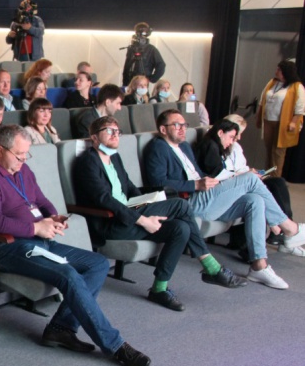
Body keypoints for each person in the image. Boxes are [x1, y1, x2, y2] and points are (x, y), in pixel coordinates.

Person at [0, 124, 151, 366]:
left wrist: (53, 217)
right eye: (19, 154)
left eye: (26, 154)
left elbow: (41, 201)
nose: (24, 159)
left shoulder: (23, 170)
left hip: (41, 241)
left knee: (98, 264)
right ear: (0, 150)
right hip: (7, 247)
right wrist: (36, 228)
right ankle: (116, 345)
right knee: (68, 274)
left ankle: (61, 328)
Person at [75, 116, 246, 311]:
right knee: (180, 205)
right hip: (111, 222)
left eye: (117, 131)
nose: (115, 135)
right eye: (109, 131)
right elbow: (104, 200)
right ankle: (211, 267)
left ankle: (159, 288)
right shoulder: (88, 162)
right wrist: (143, 220)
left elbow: (129, 188)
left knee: (180, 228)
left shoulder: (114, 157)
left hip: (130, 213)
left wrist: (148, 203)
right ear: (94, 137)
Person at [144, 109, 305, 290]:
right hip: (188, 201)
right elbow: (157, 182)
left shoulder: (184, 147)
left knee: (254, 201)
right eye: (176, 125)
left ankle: (259, 266)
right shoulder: (158, 147)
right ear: (163, 129)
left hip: (206, 195)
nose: (182, 129)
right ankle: (289, 229)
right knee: (250, 179)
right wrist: (195, 185)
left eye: (184, 125)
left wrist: (214, 182)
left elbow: (197, 173)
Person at [217, 114, 299, 255]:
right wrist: (245, 174)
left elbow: (241, 166)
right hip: (234, 183)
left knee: (278, 183)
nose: (239, 138)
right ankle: (284, 232)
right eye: (236, 134)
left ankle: (284, 232)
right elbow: (223, 173)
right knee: (263, 192)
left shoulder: (236, 147)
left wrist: (251, 171)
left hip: (246, 179)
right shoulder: (217, 147)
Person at [256, 59, 304, 178]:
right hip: (268, 120)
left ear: (285, 72)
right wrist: (258, 116)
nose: (276, 71)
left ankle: (275, 178)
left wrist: (293, 122)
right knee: (269, 151)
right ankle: (267, 176)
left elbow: (300, 108)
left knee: (278, 152)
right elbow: (262, 100)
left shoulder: (297, 86)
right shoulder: (272, 82)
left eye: (279, 69)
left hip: (282, 124)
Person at [122, 21, 165, 85]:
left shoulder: (151, 49)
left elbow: (161, 65)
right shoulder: (131, 49)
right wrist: (125, 83)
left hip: (143, 82)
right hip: (130, 82)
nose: (141, 35)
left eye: (143, 32)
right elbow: (127, 67)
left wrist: (152, 79)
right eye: (139, 31)